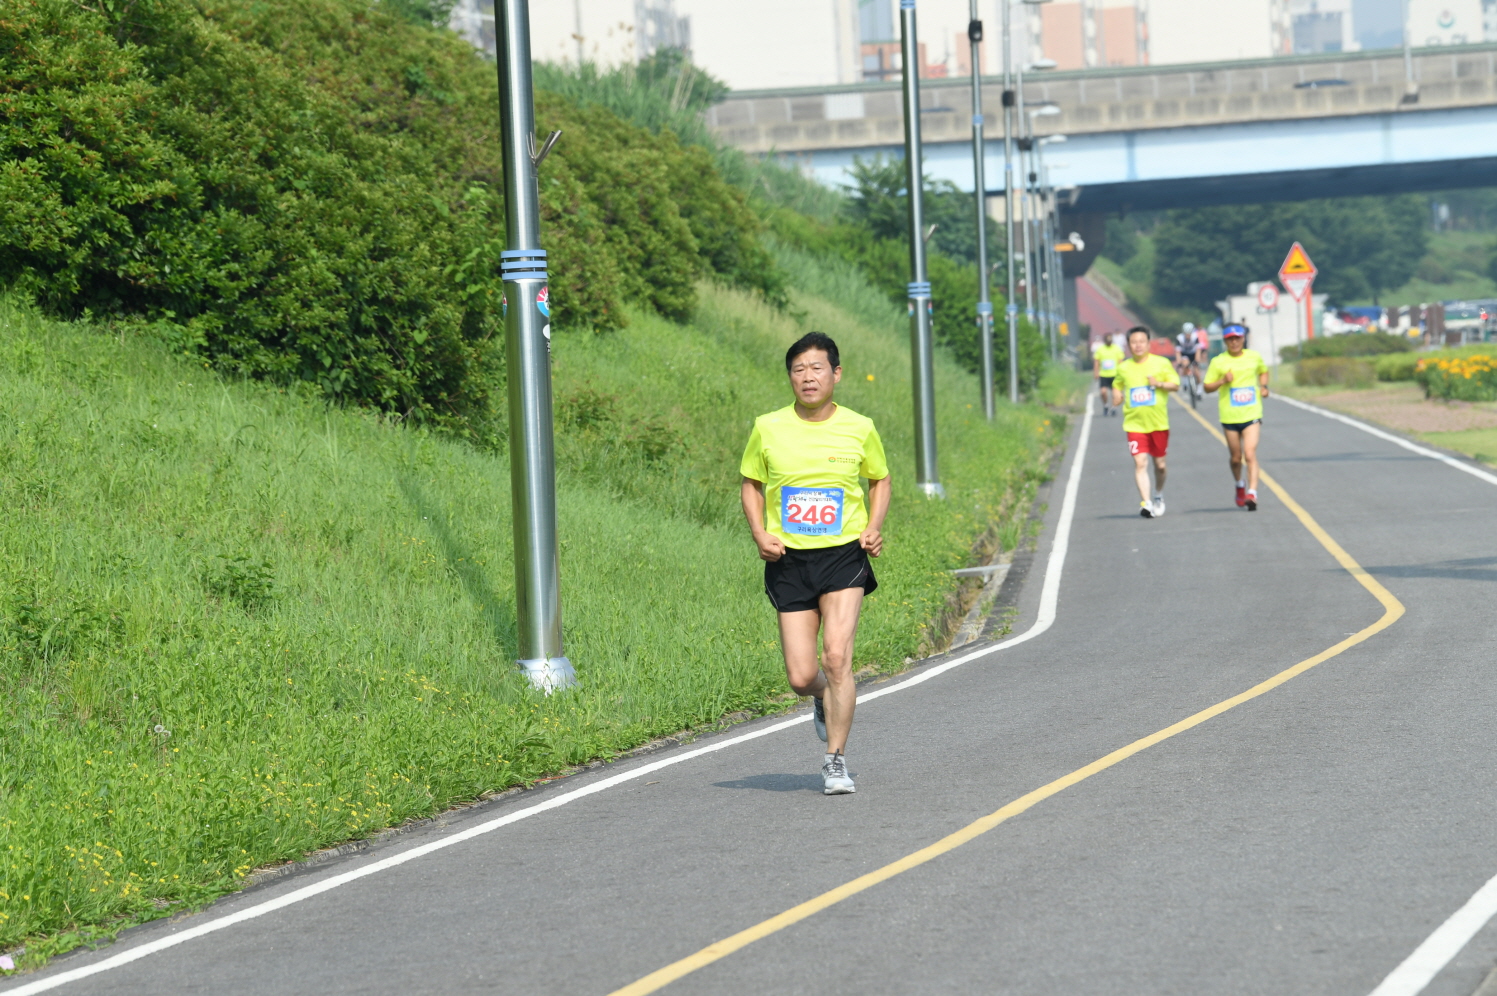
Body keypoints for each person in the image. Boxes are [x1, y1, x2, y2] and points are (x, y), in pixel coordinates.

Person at [740, 332, 891, 796]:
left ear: (836, 374)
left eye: (817, 368)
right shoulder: (768, 426)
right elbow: (751, 483)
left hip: (844, 553)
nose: (807, 377)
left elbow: (879, 480)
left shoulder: (859, 427)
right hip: (789, 559)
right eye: (798, 369)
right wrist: (759, 533)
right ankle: (824, 698)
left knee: (838, 657)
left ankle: (835, 761)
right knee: (803, 675)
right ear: (790, 377)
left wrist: (873, 525)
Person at [1112, 326, 1180, 518]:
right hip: (1134, 425)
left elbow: (1175, 384)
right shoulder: (1124, 367)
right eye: (1134, 342)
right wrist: (1116, 395)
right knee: (1140, 463)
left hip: (1158, 424)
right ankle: (1146, 502)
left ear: (1148, 343)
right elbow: (1117, 384)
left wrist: (1158, 384)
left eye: (1142, 341)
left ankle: (1158, 495)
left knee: (1160, 466)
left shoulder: (1162, 363)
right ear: (1128, 345)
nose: (1138, 345)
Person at [1203, 323, 1270, 510]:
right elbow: (1207, 387)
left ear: (1243, 339)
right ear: (1225, 341)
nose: (1234, 342)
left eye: (1237, 338)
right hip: (1229, 417)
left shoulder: (1253, 357)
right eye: (1230, 339)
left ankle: (1252, 493)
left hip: (1251, 414)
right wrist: (1223, 380)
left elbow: (1263, 371)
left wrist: (1264, 387)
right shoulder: (1218, 362)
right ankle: (1240, 485)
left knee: (1249, 454)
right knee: (1235, 457)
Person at [1092, 332, 1124, 416]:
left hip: (1115, 374)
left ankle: (1114, 407)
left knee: (1115, 393)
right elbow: (1096, 361)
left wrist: (1122, 373)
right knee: (1103, 392)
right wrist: (1096, 372)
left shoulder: (1117, 348)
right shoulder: (1100, 349)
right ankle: (1106, 405)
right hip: (1104, 374)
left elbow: (1120, 361)